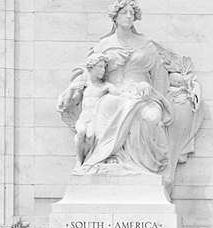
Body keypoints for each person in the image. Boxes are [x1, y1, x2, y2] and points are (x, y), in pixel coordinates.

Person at [56, 0, 203, 190]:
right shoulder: (105, 45)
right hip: (114, 92)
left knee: (152, 117)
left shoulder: (146, 45)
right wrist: (72, 89)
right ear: (115, 17)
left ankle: (150, 166)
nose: (128, 16)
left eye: (131, 13)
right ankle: (109, 159)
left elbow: (163, 75)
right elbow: (89, 72)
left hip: (144, 94)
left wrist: (190, 84)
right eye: (123, 12)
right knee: (107, 105)